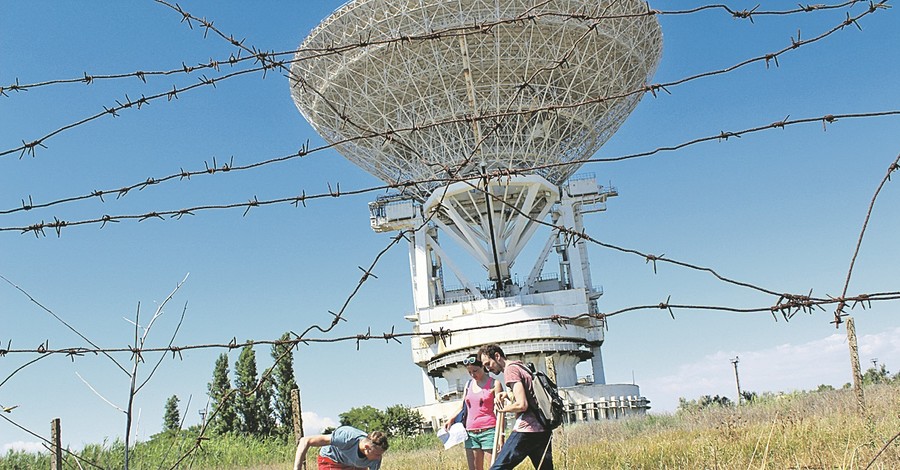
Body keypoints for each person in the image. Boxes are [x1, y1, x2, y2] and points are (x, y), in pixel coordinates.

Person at [479, 344, 553, 470]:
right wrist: (507, 395)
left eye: (488, 364)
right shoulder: (520, 365)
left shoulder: (510, 370)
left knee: (498, 468)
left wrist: (501, 409)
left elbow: (522, 404)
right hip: (543, 428)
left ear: (497, 356)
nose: (487, 369)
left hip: (527, 429)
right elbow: (530, 394)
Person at [445, 353, 504, 470]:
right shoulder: (468, 385)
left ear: (483, 367)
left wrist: (501, 435)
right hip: (470, 434)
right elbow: (463, 406)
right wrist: (451, 418)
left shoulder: (494, 384)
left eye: (475, 371)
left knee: (495, 467)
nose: (473, 374)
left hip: (489, 431)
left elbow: (501, 412)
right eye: (470, 372)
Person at [293, 425, 388, 470]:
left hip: (353, 464)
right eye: (377, 454)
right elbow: (305, 441)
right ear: (367, 447)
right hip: (331, 459)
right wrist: (297, 468)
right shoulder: (346, 437)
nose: (379, 458)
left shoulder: (375, 458)